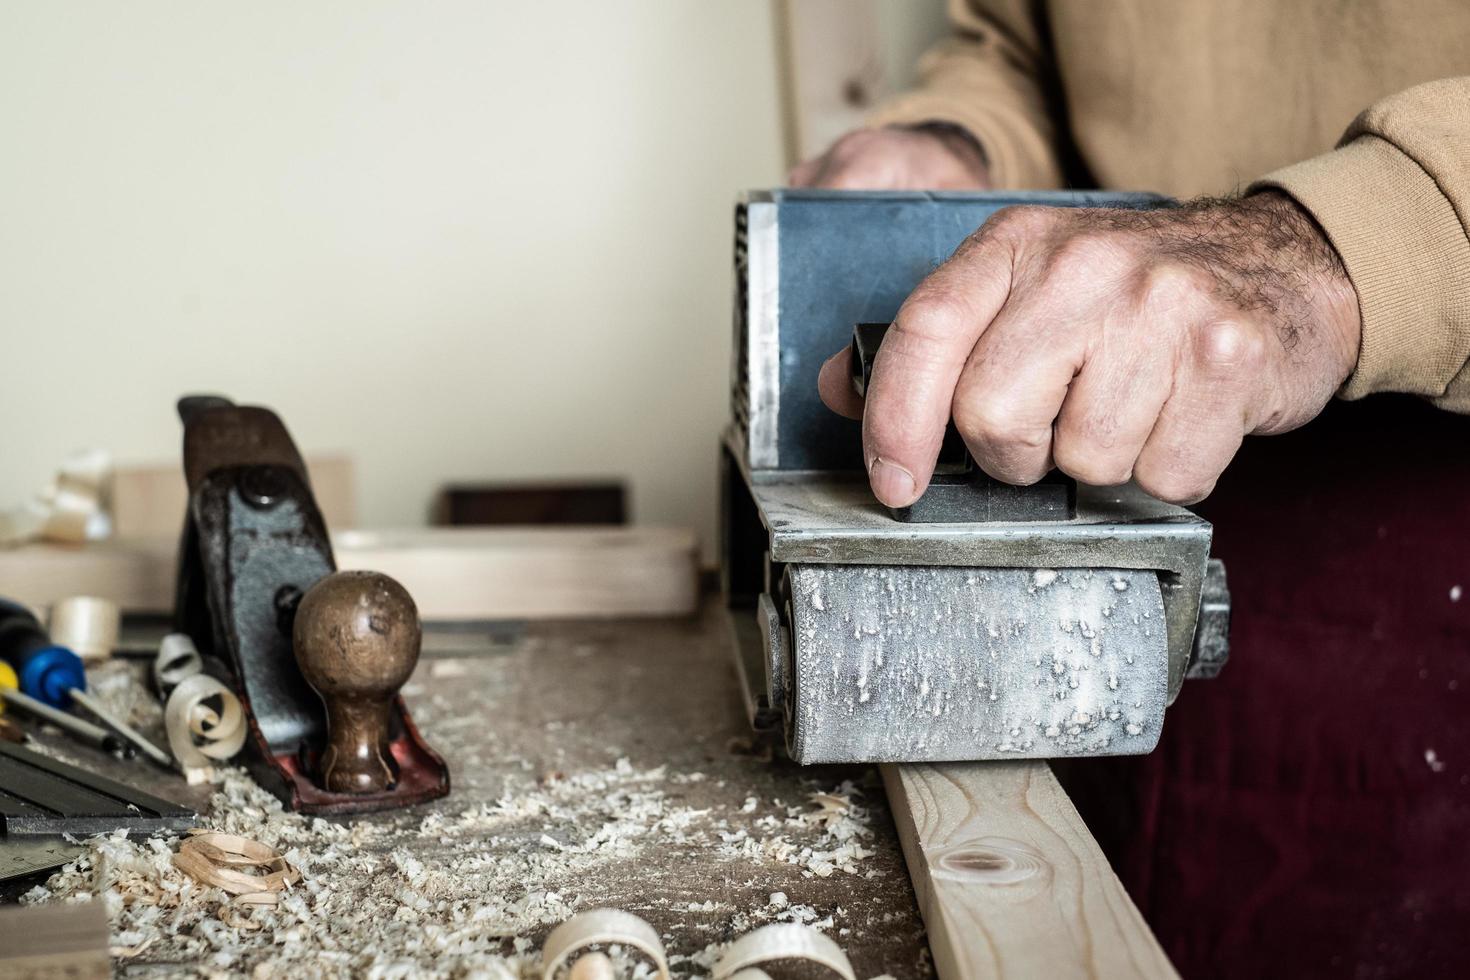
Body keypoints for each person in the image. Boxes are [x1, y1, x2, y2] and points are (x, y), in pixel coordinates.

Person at [792, 3, 1470, 977]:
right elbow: (1022, 46)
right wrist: (965, 139)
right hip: (1096, 472)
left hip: (1423, 536)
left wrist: (1335, 257)